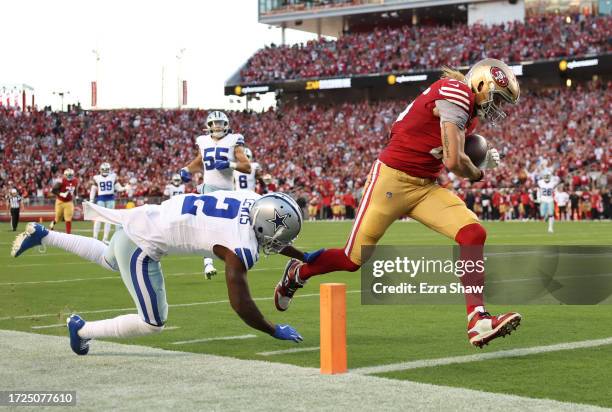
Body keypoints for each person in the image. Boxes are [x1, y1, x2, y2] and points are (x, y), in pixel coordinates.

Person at [275, 58, 522, 348]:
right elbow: (454, 161)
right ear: (481, 84)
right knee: (352, 259)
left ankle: (477, 320)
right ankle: (299, 271)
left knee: (472, 233)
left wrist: (470, 159)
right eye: (496, 98)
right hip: (390, 182)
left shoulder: (468, 111)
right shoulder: (456, 91)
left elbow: (445, 153)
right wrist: (479, 171)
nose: (497, 107)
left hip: (425, 187)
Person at [11, 191, 306, 356]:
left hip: (144, 217)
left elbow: (261, 233)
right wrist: (272, 329)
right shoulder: (239, 249)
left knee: (106, 257)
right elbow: (241, 304)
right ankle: (81, 329)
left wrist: (303, 256)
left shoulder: (250, 200)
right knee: (153, 323)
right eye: (282, 239)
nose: (282, 244)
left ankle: (44, 235)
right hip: (142, 244)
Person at [179, 111, 252, 279]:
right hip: (209, 188)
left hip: (227, 191)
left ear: (226, 124)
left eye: (220, 122)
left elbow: (246, 167)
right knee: (206, 226)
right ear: (209, 125)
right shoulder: (203, 141)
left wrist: (229, 163)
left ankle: (235, 259)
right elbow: (199, 161)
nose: (217, 126)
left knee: (228, 229)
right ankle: (208, 263)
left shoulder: (234, 140)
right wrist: (187, 169)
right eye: (214, 123)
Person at [90, 162, 124, 243]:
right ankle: (100, 238)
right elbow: (119, 188)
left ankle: (98, 238)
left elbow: (93, 190)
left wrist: (91, 199)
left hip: (104, 199)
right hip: (107, 199)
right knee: (103, 219)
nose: (105, 171)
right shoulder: (112, 176)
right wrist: (125, 188)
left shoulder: (97, 177)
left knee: (104, 219)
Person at [49, 169, 78, 234]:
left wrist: (76, 196)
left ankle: (68, 234)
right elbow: (53, 190)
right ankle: (52, 225)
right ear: (65, 175)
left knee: (68, 218)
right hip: (60, 201)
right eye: (68, 175)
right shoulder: (61, 180)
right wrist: (61, 194)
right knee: (58, 218)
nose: (70, 176)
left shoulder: (75, 181)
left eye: (71, 175)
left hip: (69, 202)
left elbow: (75, 189)